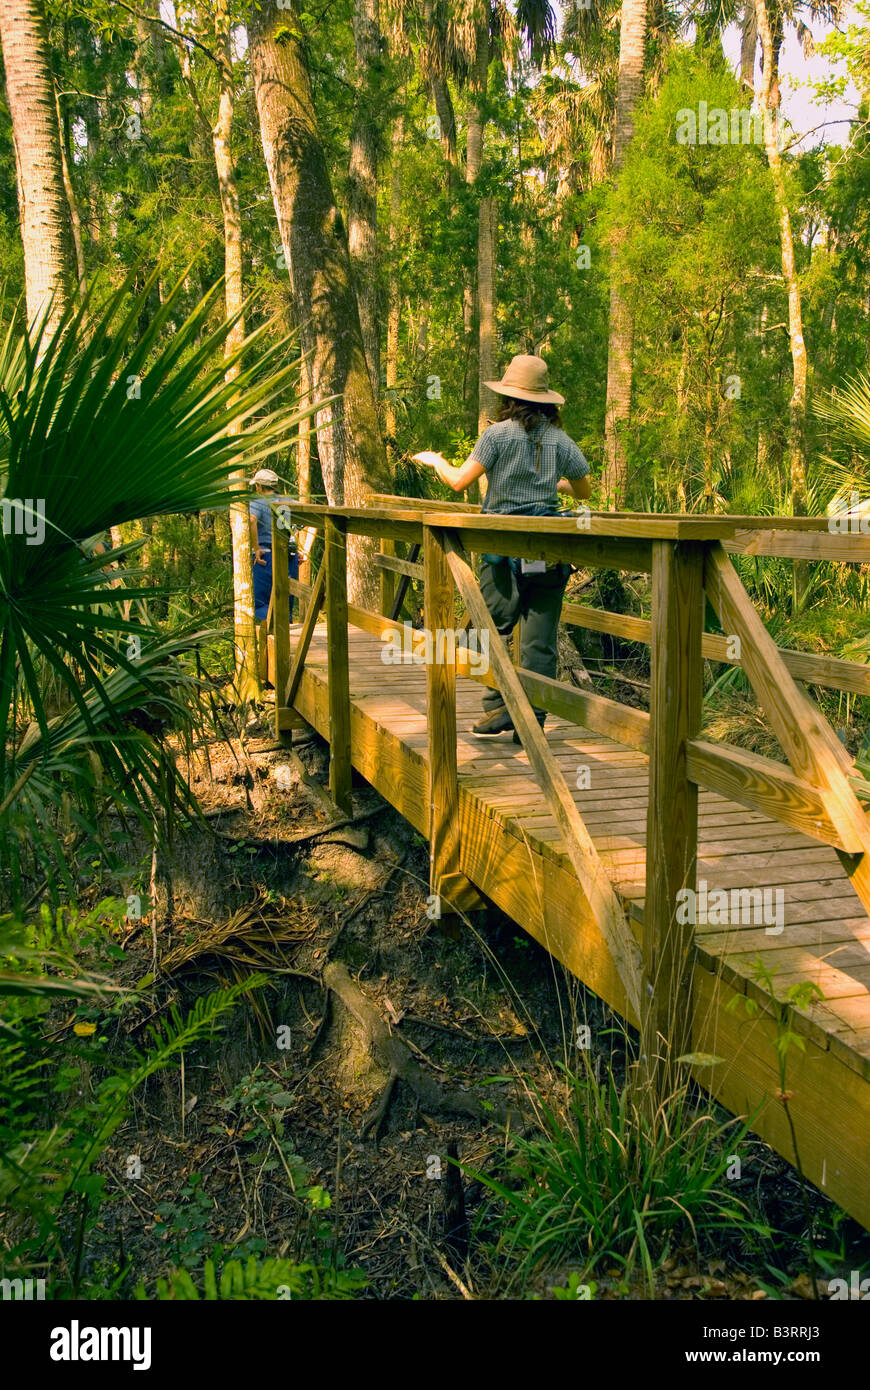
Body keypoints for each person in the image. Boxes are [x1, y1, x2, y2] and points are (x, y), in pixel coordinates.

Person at [413, 353, 591, 740]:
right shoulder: (561, 441)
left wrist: (436, 461)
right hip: (548, 549)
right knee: (539, 642)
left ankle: (499, 706)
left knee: (492, 630)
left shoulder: (497, 435)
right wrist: (554, 484)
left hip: (501, 551)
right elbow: (584, 490)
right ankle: (532, 720)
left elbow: (460, 482)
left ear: (509, 398)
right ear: (545, 401)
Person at [248, 468, 299, 677]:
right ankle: (287, 651)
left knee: (262, 603)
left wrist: (256, 547)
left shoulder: (257, 502)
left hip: (266, 557)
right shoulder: (289, 502)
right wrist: (301, 550)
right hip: (289, 557)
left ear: (259, 486)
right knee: (285, 602)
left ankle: (269, 657)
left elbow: (251, 521)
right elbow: (308, 523)